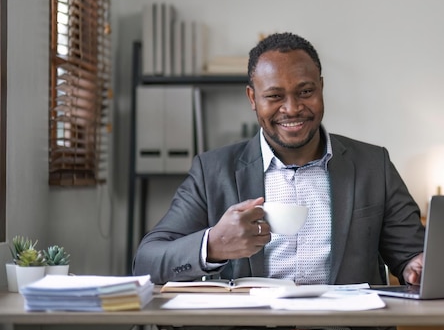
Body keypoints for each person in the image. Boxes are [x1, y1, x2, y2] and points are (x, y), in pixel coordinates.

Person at [133, 32, 425, 288]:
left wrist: (416, 266)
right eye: (274, 96)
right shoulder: (212, 172)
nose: (292, 108)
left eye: (305, 92)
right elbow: (147, 262)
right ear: (252, 98)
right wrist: (214, 245)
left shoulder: (373, 165)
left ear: (321, 88)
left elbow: (414, 255)